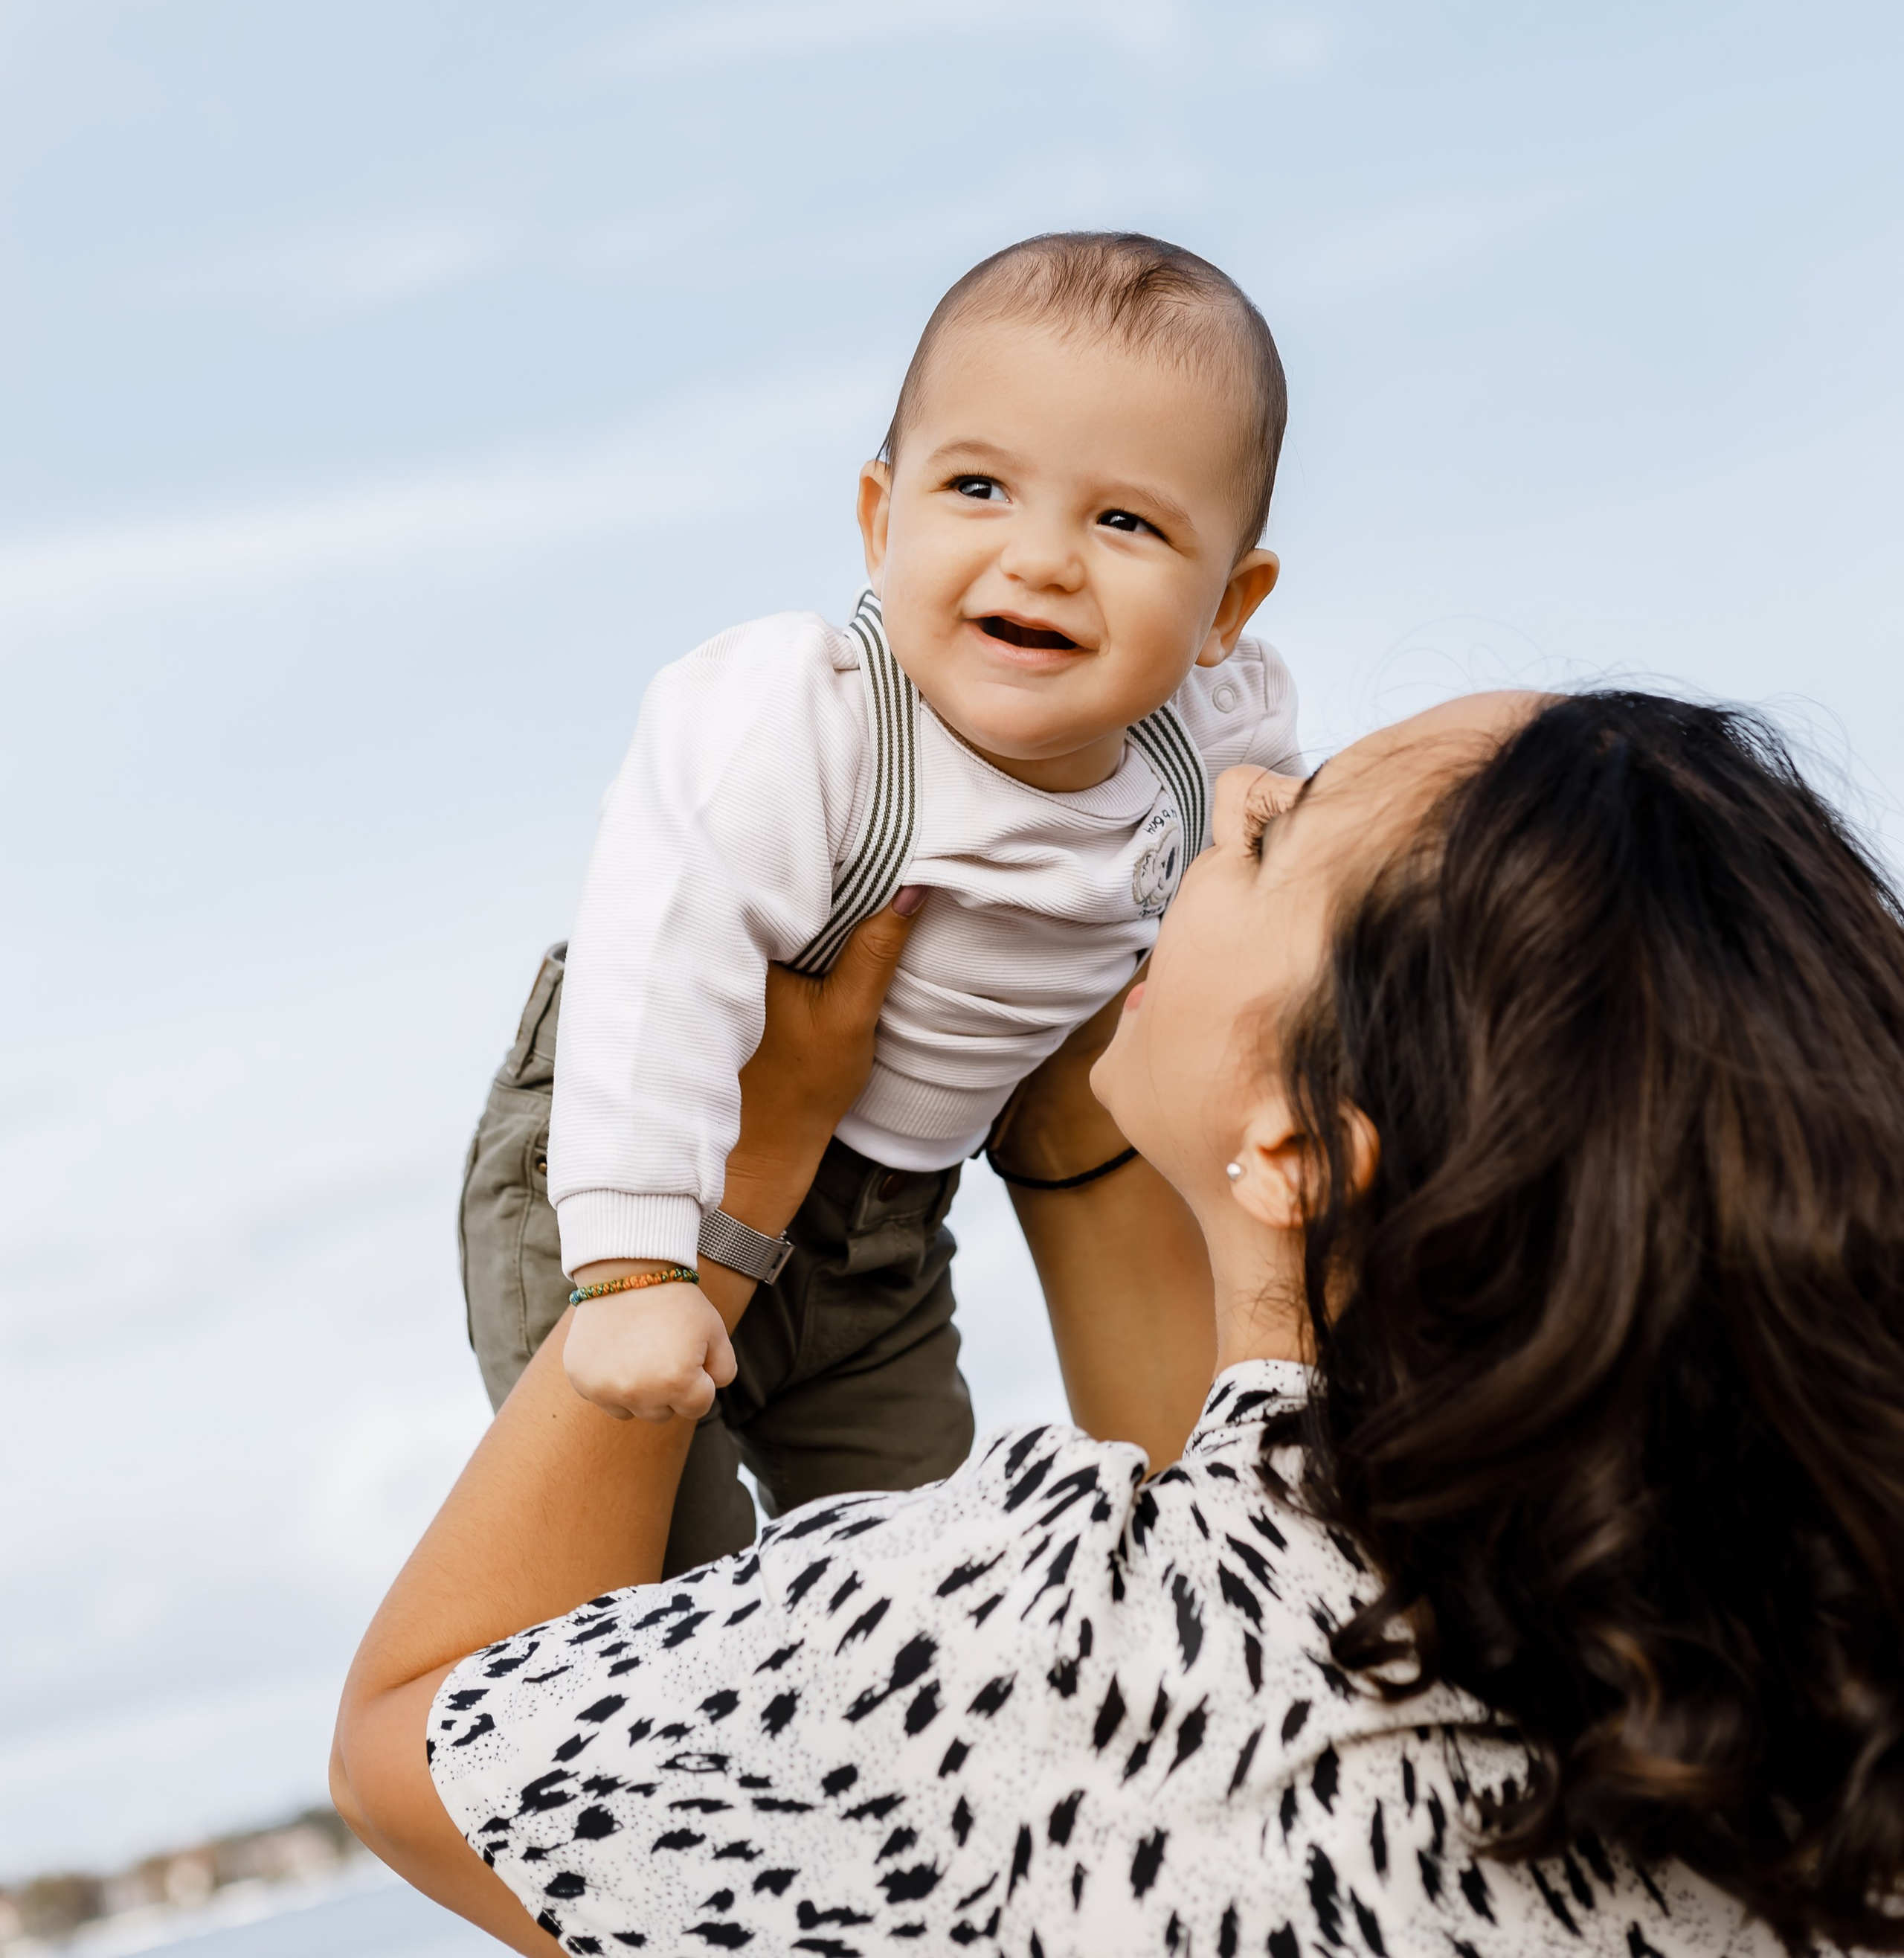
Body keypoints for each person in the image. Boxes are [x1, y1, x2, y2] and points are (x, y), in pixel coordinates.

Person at [336, 686, 1904, 1954]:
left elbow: (426, 1756)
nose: (1229, 793)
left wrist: (721, 1199)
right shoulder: (1791, 1656)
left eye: (1280, 832)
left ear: (1293, 1147)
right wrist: (1081, 1096)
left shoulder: (1038, 1651)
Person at [460, 231, 1300, 1570]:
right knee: (654, 1586)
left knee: (912, 1566)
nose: (1041, 560)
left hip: (887, 1243)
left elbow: (1294, 864)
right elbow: (653, 966)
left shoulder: (1206, 748)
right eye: (979, 487)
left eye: (1125, 521)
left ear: (1226, 608)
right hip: (653, 1166)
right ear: (879, 519)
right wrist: (632, 1270)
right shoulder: (818, 725)